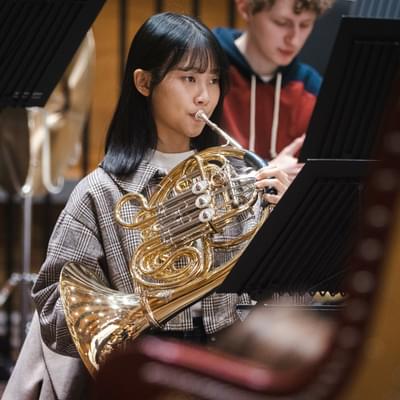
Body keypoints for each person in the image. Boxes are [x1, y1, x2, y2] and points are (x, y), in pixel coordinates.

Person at [4, 12, 290, 399]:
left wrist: (290, 218)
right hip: (141, 370)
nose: (204, 95)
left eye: (213, 80)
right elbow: (54, 309)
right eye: (188, 78)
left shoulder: (237, 179)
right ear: (144, 82)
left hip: (226, 366)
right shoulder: (101, 191)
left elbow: (289, 297)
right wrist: (135, 309)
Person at [213, 0, 335, 179]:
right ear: (245, 8)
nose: (294, 39)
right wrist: (267, 171)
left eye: (305, 24)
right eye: (281, 23)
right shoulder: (205, 70)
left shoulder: (314, 90)